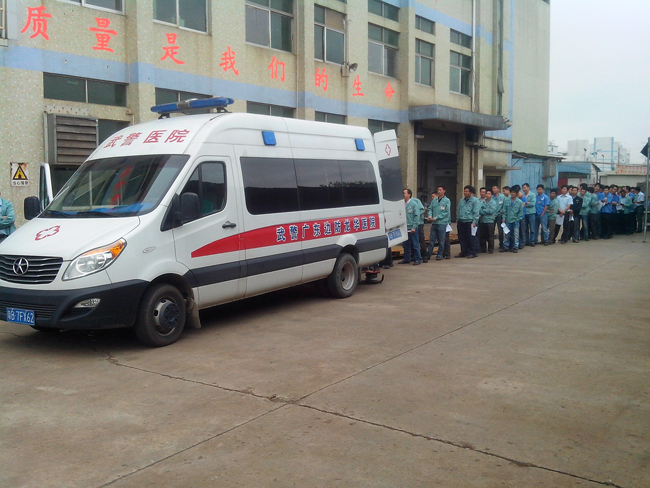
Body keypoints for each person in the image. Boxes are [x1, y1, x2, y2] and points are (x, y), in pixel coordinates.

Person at [427, 185, 451, 261]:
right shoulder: (434, 200)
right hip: (434, 223)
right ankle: (428, 254)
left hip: (442, 223)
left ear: (444, 191)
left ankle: (440, 254)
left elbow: (446, 212)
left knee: (441, 240)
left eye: (441, 190)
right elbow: (430, 208)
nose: (439, 191)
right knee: (432, 240)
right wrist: (430, 215)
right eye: (438, 190)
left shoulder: (447, 201)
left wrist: (436, 217)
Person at [456, 185, 480, 259]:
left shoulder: (475, 201)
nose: (465, 193)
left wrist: (474, 222)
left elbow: (476, 212)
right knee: (462, 238)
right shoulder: (461, 200)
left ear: (470, 192)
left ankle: (472, 252)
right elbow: (459, 210)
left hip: (470, 222)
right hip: (461, 221)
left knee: (471, 238)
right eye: (464, 191)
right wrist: (458, 220)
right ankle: (464, 252)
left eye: (467, 191)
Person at [400, 189, 422, 265]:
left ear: (409, 194)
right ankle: (406, 259)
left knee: (415, 244)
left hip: (412, 228)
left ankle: (417, 259)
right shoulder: (402, 204)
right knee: (406, 245)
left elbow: (416, 216)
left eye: (404, 193)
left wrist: (414, 226)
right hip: (405, 228)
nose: (403, 195)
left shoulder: (414, 204)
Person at [500, 184, 523, 253]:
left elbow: (520, 213)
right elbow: (504, 210)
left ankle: (515, 247)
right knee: (507, 234)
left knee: (516, 234)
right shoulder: (506, 200)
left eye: (514, 192)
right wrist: (503, 218)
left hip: (516, 221)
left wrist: (517, 219)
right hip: (507, 220)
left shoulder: (519, 202)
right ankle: (506, 247)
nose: (512, 194)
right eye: (511, 192)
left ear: (517, 193)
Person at [478, 189, 497, 253]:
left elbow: (491, 211)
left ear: (491, 195)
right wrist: (485, 211)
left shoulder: (493, 202)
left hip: (490, 221)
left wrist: (483, 211)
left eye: (489, 194)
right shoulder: (482, 202)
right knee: (482, 236)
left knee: (490, 236)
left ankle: (490, 249)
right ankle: (483, 248)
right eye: (486, 193)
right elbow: (479, 210)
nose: (487, 195)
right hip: (482, 221)